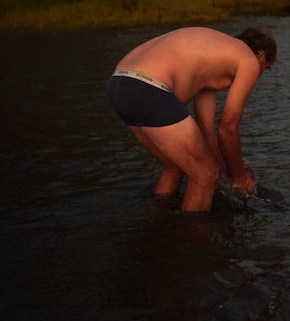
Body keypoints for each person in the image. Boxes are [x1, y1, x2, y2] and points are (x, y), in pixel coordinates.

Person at [107, 26, 276, 212]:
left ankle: (161, 220)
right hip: (149, 86)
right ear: (261, 55)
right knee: (204, 175)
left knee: (173, 166)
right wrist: (239, 179)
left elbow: (206, 128)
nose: (259, 75)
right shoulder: (249, 60)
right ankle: (192, 238)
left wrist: (223, 168)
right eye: (265, 69)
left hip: (120, 84)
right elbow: (227, 128)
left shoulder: (213, 57)